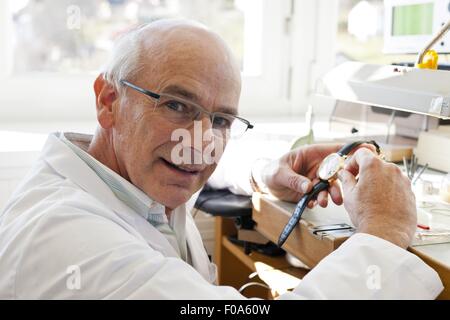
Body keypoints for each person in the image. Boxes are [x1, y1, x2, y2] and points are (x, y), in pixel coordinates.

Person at [0, 19, 442, 299]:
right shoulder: (69, 242)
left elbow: (190, 166)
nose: (200, 142)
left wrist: (262, 174)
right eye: (176, 104)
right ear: (108, 101)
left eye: (223, 119)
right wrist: (383, 234)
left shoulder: (122, 177)